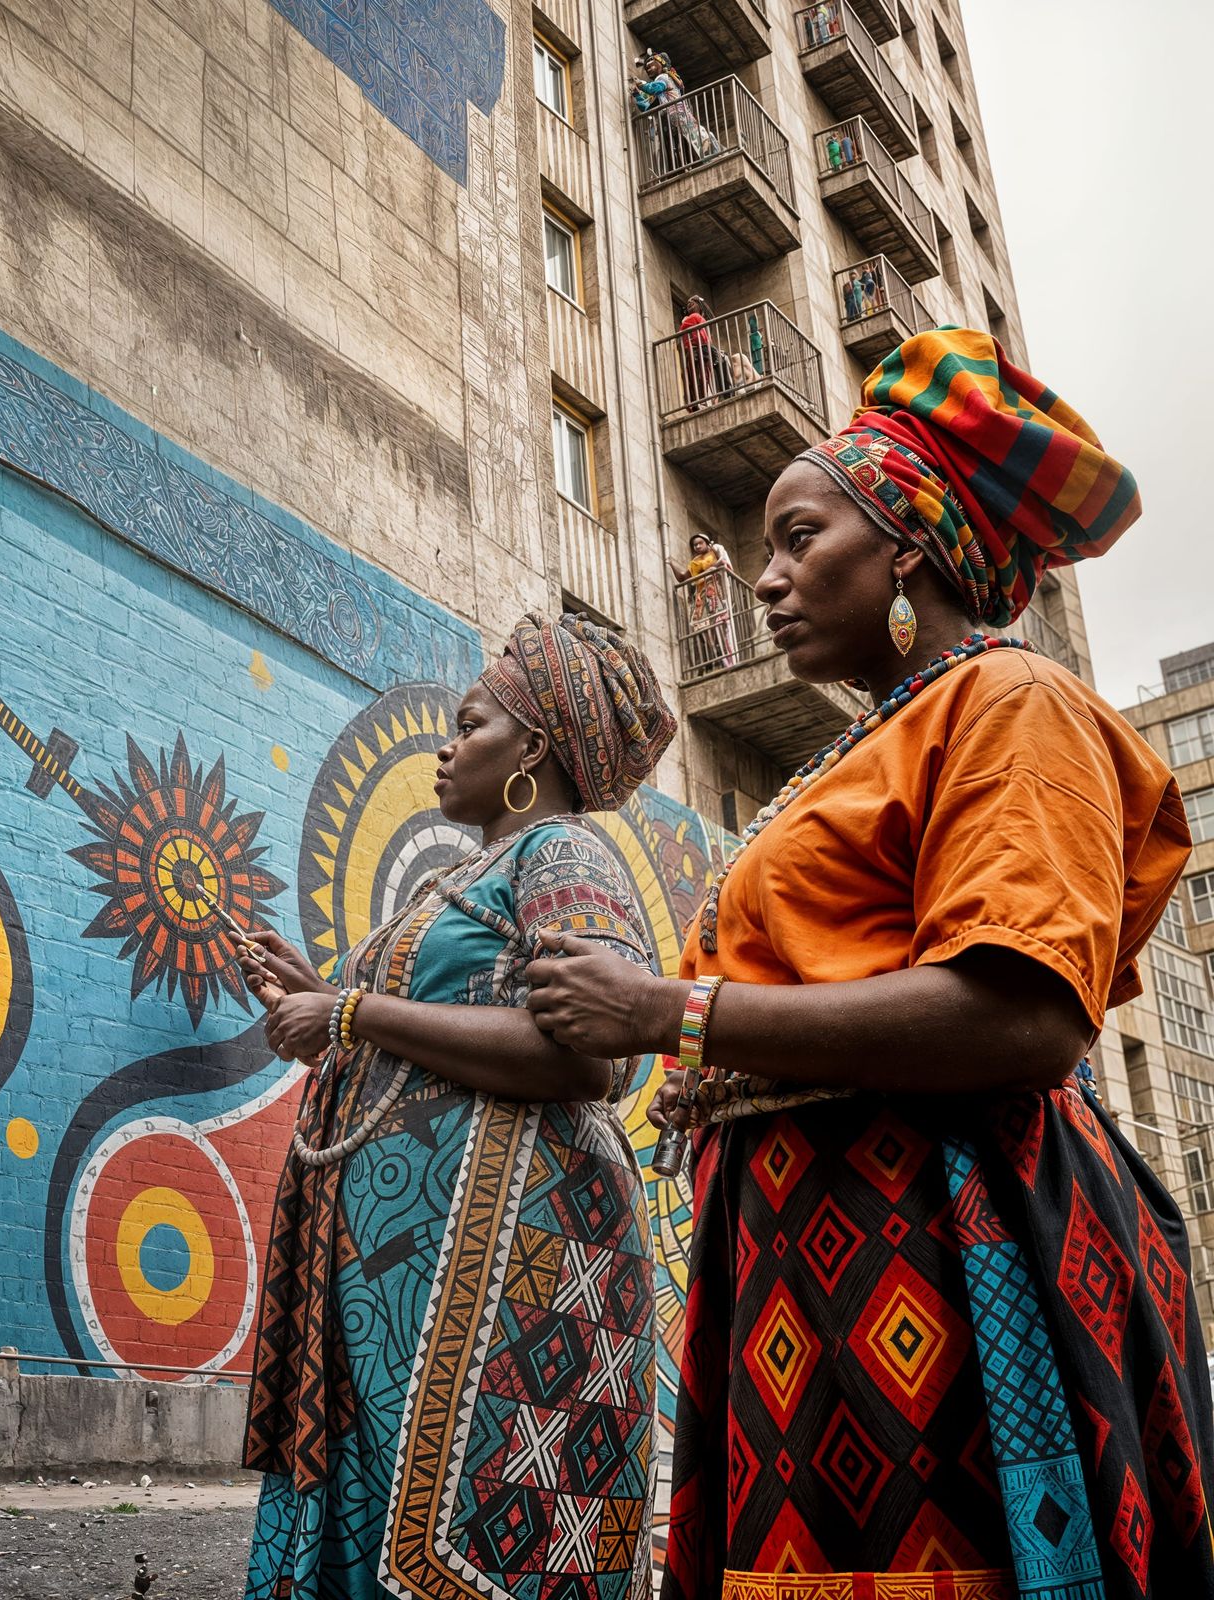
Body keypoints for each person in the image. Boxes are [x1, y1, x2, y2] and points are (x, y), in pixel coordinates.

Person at [525, 329, 1214, 1597]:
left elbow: (1021, 1015)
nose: (765, 580)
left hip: (946, 1239)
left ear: (906, 544)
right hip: (807, 1239)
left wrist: (671, 1012)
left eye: (799, 537)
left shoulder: (1011, 700)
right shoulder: (851, 752)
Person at [241, 613, 678, 1600]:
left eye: (471, 725)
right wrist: (321, 1000)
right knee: (385, 1508)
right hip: (403, 1274)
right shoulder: (462, 878)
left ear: (532, 749)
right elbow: (417, 1032)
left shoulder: (563, 855)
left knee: (474, 1536)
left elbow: (592, 1056)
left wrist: (349, 1011)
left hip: (505, 1274)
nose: (447, 746)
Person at [684, 532, 737, 671]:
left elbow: (723, 561)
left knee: (721, 624)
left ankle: (726, 658)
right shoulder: (694, 562)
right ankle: (714, 655)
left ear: (707, 543)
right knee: (704, 628)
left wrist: (713, 568)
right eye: (694, 545)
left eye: (700, 543)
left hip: (716, 592)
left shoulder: (716, 550)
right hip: (702, 597)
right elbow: (685, 577)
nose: (697, 546)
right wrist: (670, 563)